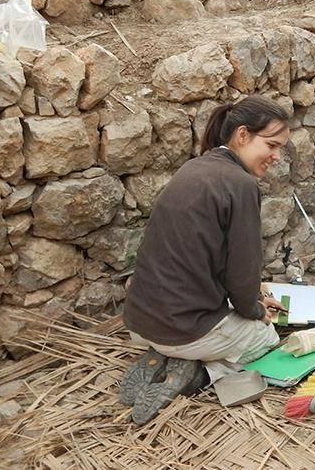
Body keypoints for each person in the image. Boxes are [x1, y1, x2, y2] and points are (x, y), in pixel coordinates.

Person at [119, 95, 290, 425]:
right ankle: (197, 375)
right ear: (242, 135)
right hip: (183, 330)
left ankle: (165, 358)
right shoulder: (240, 184)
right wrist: (256, 310)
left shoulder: (194, 167)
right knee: (266, 338)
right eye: (271, 145)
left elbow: (204, 260)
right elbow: (240, 277)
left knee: (236, 317)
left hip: (141, 322)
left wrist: (253, 297)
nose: (277, 156)